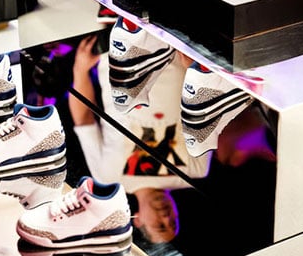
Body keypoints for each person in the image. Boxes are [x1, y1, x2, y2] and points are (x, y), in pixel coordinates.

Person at [68, 33, 211, 244]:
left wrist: (80, 71)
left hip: (119, 55)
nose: (166, 217)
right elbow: (204, 114)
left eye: (160, 225)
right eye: (173, 222)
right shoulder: (195, 172)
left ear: (138, 220)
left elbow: (84, 121)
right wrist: (195, 69)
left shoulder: (107, 177)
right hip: (174, 47)